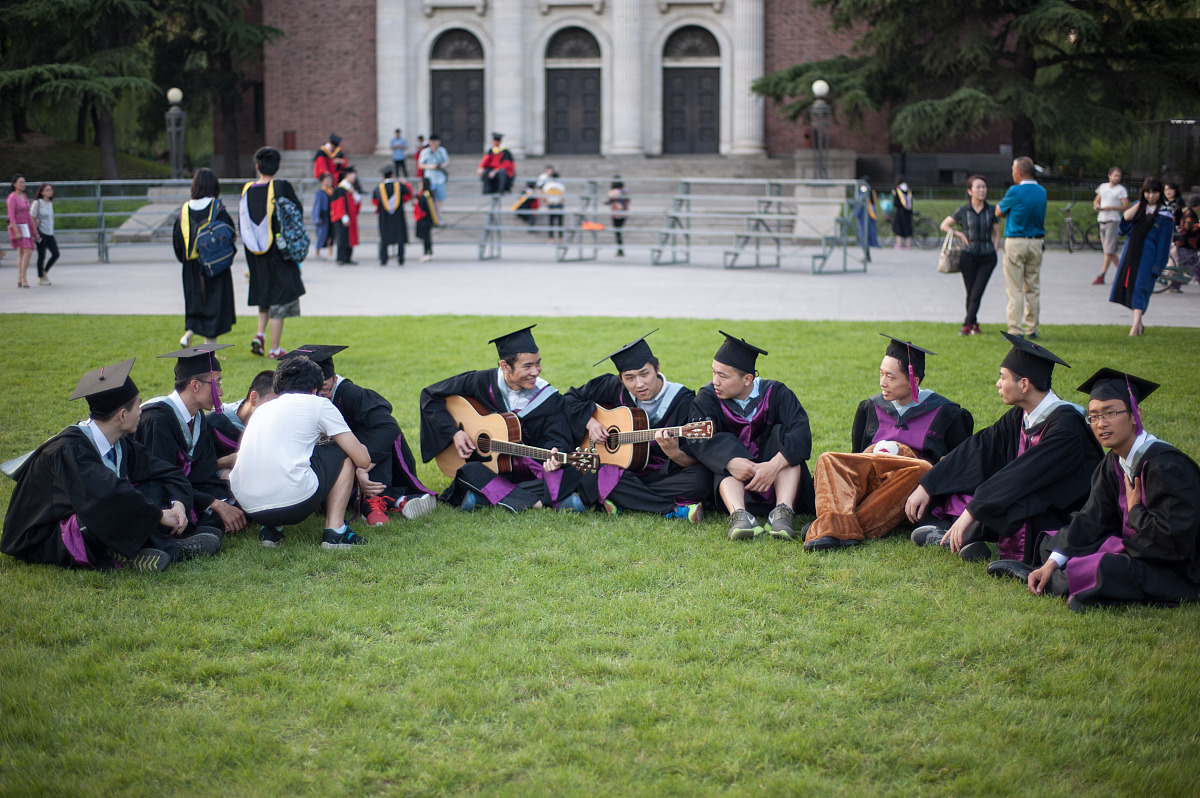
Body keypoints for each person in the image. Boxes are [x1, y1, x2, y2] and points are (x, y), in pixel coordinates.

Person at [990, 370, 1200, 613]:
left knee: (1106, 566)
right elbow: (1092, 518)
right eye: (1094, 416)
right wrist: (1051, 563)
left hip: (1177, 571)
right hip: (1136, 548)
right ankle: (1054, 574)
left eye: (1110, 413)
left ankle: (1055, 583)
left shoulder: (1167, 467)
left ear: (1136, 415)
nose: (1101, 423)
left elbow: (1176, 538)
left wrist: (1135, 512)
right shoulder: (1114, 462)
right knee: (1054, 543)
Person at [1, 359, 221, 572]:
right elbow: (108, 495)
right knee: (113, 506)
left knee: (152, 486)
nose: (141, 411)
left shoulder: (120, 443)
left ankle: (143, 547)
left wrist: (178, 504)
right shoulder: (69, 450)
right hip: (44, 535)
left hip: (88, 512)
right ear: (122, 415)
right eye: (138, 405)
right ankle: (165, 548)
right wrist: (159, 515)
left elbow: (167, 471)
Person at [906, 333, 1103, 564]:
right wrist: (929, 484)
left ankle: (962, 537)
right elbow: (981, 447)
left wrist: (973, 510)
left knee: (1007, 499)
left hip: (1065, 515)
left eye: (1002, 377)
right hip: (1034, 498)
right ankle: (967, 537)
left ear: (1024, 384)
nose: (998, 384)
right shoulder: (1022, 415)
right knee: (966, 483)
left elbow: (1023, 475)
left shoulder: (1067, 427)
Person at [801, 335, 972, 550]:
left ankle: (831, 527)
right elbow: (858, 457)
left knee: (922, 468)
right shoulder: (871, 407)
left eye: (891, 377)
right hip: (871, 480)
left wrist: (928, 485)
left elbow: (957, 465)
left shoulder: (946, 413)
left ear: (914, 381)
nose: (882, 383)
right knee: (828, 459)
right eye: (881, 374)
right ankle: (838, 526)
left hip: (909, 488)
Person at [418, 325, 586, 513]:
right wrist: (454, 432)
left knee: (569, 473)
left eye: (538, 363)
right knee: (468, 471)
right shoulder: (481, 382)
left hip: (532, 470)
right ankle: (538, 502)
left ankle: (485, 496)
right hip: (492, 469)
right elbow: (430, 396)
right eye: (527, 366)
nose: (536, 371)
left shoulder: (549, 398)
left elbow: (558, 438)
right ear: (505, 366)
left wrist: (556, 454)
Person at [230, 354, 373, 550]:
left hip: (249, 505)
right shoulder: (319, 404)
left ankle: (271, 531)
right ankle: (336, 532)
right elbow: (363, 460)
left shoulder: (262, 409)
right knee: (342, 451)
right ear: (315, 390)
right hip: (294, 503)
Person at [566, 331, 711, 522]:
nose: (639, 384)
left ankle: (620, 497)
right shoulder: (613, 387)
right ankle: (674, 509)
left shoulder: (683, 400)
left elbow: (693, 460)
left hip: (661, 473)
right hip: (622, 469)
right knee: (596, 472)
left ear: (657, 368)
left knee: (701, 479)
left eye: (645, 374)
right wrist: (590, 422)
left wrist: (675, 454)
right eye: (630, 378)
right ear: (621, 378)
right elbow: (569, 399)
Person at [685, 331, 815, 541]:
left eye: (723, 376)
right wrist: (731, 462)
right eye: (713, 372)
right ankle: (739, 515)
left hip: (776, 477)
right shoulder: (707, 398)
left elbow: (801, 434)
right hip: (735, 480)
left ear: (747, 379)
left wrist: (773, 466)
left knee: (783, 435)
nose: (715, 381)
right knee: (723, 446)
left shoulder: (777, 393)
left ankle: (782, 512)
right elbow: (699, 441)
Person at [291, 344, 437, 525]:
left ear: (335, 380)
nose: (319, 396)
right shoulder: (297, 402)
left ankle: (377, 501)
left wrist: (362, 467)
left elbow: (388, 428)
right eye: (313, 391)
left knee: (376, 439)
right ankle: (399, 500)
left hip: (372, 459)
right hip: (336, 462)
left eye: (325, 388)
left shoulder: (351, 395)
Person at [135, 344, 248, 537]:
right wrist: (214, 503)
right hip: (161, 492)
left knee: (243, 501)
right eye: (217, 384)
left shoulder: (198, 417)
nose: (221, 393)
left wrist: (221, 499)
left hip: (184, 488)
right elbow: (160, 478)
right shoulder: (156, 420)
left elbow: (203, 473)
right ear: (195, 386)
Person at [240, 147, 305, 360]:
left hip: (255, 253)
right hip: (279, 253)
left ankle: (260, 335)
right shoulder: (281, 186)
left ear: (257, 166)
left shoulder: (246, 190)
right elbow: (297, 212)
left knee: (264, 294)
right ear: (277, 167)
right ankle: (274, 348)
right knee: (278, 300)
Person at [172, 168, 237, 348]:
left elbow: (178, 244)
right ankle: (209, 353)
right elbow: (230, 235)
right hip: (214, 267)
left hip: (191, 268)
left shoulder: (184, 211)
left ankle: (189, 333)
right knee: (214, 312)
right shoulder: (217, 208)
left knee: (195, 306)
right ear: (214, 186)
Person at [1109, 177, 1174, 337]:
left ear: (1160, 193)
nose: (1151, 196)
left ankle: (1135, 327)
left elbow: (1164, 245)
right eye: (1147, 192)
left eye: (1154, 192)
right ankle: (1138, 324)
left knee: (1141, 287)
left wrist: (1158, 265)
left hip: (1148, 257)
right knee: (1131, 288)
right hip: (1131, 255)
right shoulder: (1138, 209)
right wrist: (1139, 204)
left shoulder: (1165, 216)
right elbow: (1123, 227)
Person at [941, 174, 1002, 336]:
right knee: (971, 293)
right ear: (970, 191)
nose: (982, 190)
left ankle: (966, 324)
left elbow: (997, 233)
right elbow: (944, 225)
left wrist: (995, 250)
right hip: (968, 256)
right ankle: (973, 323)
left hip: (987, 257)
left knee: (977, 292)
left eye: (984, 187)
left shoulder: (992, 210)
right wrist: (960, 234)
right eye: (978, 187)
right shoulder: (963, 210)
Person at [996, 156, 1047, 339]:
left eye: (1013, 170)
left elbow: (998, 211)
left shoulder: (1015, 191)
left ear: (1019, 173)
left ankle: (1015, 329)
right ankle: (1032, 328)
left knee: (1015, 287)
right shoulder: (1042, 191)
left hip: (1016, 241)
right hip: (1036, 242)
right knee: (1033, 287)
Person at [208, 369, 275, 463]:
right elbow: (198, 468)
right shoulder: (213, 423)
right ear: (254, 398)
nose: (276, 409)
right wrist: (224, 462)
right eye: (273, 402)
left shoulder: (276, 427)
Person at [1091, 167, 1129, 285]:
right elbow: (1096, 200)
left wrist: (1111, 208)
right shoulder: (1103, 187)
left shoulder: (1121, 190)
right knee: (1108, 251)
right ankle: (1123, 274)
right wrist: (1097, 206)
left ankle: (1104, 275)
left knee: (1109, 250)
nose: (1117, 178)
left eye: (1119, 176)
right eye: (1115, 175)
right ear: (1109, 176)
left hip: (1113, 220)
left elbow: (1125, 206)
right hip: (1102, 219)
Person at [371, 166, 411, 266]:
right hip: (398, 216)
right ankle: (401, 258)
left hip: (384, 217)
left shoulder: (379, 188)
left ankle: (384, 259)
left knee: (384, 236)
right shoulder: (399, 186)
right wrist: (406, 183)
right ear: (392, 175)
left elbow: (374, 201)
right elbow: (408, 195)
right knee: (400, 236)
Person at [7, 174, 36, 288]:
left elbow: (28, 214)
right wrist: (16, 231)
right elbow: (11, 216)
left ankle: (20, 276)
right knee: (28, 251)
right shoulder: (12, 198)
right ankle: (23, 277)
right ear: (15, 184)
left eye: (24, 182)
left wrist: (34, 229)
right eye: (21, 182)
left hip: (26, 226)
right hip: (18, 227)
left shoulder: (24, 196)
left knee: (22, 252)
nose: (23, 184)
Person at [330, 165, 362, 266]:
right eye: (353, 175)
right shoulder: (340, 189)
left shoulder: (350, 188)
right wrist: (344, 216)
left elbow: (357, 201)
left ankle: (348, 257)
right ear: (347, 175)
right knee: (342, 237)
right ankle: (340, 258)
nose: (354, 177)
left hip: (350, 217)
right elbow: (339, 204)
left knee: (349, 238)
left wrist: (354, 193)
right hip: (342, 218)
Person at [30, 182, 58, 286]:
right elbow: (31, 217)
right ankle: (41, 278)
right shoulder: (37, 203)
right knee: (42, 255)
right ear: (42, 192)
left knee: (56, 254)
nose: (50, 192)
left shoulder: (50, 203)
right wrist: (35, 232)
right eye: (47, 190)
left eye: (51, 190)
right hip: (41, 232)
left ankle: (45, 271)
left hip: (50, 232)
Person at [417, 133, 449, 218]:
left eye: (436, 142)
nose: (434, 144)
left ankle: (438, 217)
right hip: (429, 179)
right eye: (432, 142)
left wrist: (441, 166)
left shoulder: (442, 151)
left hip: (440, 179)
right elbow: (420, 165)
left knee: (439, 199)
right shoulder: (425, 152)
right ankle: (430, 217)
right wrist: (431, 166)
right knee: (429, 199)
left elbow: (447, 161)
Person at [851, 177, 879, 264]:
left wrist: (855, 213)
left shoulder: (863, 191)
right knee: (866, 236)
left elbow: (859, 204)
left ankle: (865, 255)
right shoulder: (871, 191)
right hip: (870, 215)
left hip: (863, 216)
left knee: (863, 236)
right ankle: (867, 255)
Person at [413, 177, 439, 262]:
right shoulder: (428, 193)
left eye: (420, 183)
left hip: (425, 218)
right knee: (427, 236)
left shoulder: (425, 195)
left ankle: (427, 253)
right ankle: (429, 253)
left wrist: (417, 201)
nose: (419, 185)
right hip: (427, 218)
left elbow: (423, 206)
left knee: (426, 237)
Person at [310, 172, 335, 259]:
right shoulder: (320, 193)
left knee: (331, 235)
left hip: (331, 216)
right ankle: (317, 252)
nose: (329, 181)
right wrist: (317, 218)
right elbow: (317, 206)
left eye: (330, 180)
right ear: (322, 181)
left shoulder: (332, 191)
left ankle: (331, 253)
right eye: (327, 180)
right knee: (321, 235)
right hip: (323, 216)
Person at [605, 176, 629, 256]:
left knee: (618, 232)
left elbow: (608, 201)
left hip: (616, 214)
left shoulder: (613, 191)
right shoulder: (625, 191)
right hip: (624, 213)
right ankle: (620, 248)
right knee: (619, 231)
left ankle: (620, 249)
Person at [541, 170, 565, 242]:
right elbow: (563, 197)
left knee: (551, 222)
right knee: (560, 222)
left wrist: (546, 202)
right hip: (558, 204)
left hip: (551, 204)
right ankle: (560, 238)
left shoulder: (548, 185)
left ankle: (551, 238)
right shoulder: (561, 185)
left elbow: (544, 195)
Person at [891, 180, 914, 249]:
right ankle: (908, 245)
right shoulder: (908, 189)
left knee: (898, 227)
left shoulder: (898, 189)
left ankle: (899, 244)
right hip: (908, 212)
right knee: (908, 227)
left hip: (900, 212)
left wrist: (895, 195)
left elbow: (896, 203)